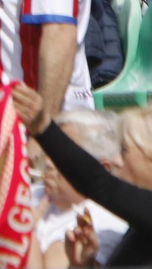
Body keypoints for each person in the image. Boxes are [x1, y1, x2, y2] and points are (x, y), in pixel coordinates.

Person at [12, 85, 152, 268]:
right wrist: (83, 265)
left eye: (124, 150)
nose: (116, 161)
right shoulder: (151, 221)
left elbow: (98, 184)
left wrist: (43, 128)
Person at [31, 111, 129, 269]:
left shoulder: (104, 224)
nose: (48, 162)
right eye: (50, 149)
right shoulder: (30, 193)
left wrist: (24, 229)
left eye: (64, 155)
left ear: (102, 168)